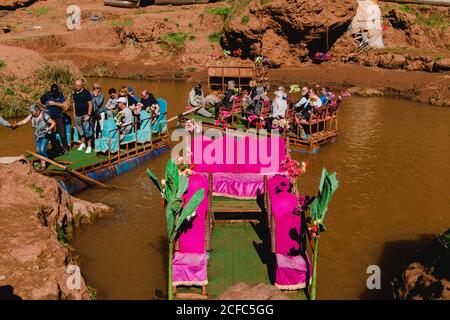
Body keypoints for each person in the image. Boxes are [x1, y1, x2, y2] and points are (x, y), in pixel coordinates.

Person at [15, 104, 56, 170]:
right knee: (38, 150)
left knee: (42, 149)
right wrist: (16, 125)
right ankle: (44, 161)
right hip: (37, 135)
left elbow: (53, 123)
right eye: (32, 112)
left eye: (34, 112)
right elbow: (24, 121)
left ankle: (44, 164)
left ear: (38, 110)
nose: (33, 114)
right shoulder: (32, 115)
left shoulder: (44, 115)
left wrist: (49, 129)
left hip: (45, 134)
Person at [40, 84, 69, 155]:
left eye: (55, 92)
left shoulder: (60, 95)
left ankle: (65, 148)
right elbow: (38, 101)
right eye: (53, 92)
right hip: (49, 117)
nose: (54, 93)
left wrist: (55, 103)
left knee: (62, 133)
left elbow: (65, 105)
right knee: (50, 133)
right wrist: (45, 107)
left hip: (58, 116)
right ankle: (54, 147)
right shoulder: (47, 95)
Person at [73, 79, 93, 154]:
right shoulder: (75, 92)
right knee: (80, 130)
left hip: (85, 115)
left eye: (78, 86)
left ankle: (89, 146)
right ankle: (83, 143)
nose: (77, 87)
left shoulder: (86, 93)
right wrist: (74, 113)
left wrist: (88, 115)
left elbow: (90, 104)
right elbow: (74, 103)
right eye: (76, 85)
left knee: (87, 131)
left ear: (82, 86)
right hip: (77, 115)